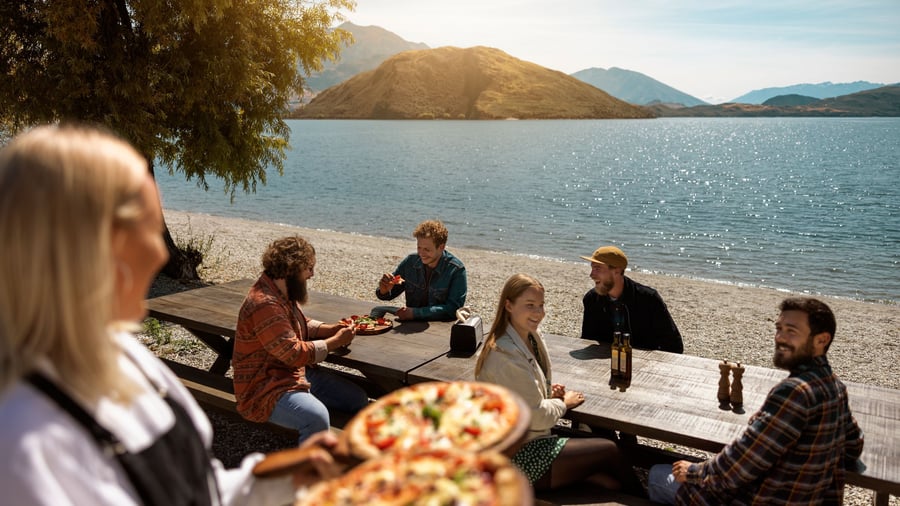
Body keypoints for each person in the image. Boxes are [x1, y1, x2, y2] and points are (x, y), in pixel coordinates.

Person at [0, 124, 342, 505]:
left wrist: (290, 478)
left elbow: (200, 488)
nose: (159, 255)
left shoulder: (128, 358)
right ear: (79, 250)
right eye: (145, 229)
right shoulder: (22, 444)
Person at [647, 297, 865, 505]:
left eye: (792, 331)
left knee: (657, 475)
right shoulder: (835, 387)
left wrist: (693, 472)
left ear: (822, 340)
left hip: (760, 500)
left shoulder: (795, 392)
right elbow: (853, 446)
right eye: (779, 329)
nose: (780, 337)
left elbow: (739, 467)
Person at [474, 274, 645, 495]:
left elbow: (523, 396)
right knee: (610, 450)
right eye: (530, 305)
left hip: (531, 442)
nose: (539, 312)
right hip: (516, 458)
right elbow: (534, 415)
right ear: (508, 305)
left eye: (541, 305)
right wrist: (563, 403)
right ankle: (645, 498)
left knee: (609, 483)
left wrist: (546, 394)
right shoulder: (505, 354)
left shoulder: (528, 336)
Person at [233, 235, 370, 445]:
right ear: (291, 269)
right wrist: (335, 341)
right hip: (264, 386)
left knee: (357, 399)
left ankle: (348, 449)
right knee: (316, 417)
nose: (312, 274)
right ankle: (310, 469)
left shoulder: (279, 291)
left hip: (292, 375)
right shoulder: (264, 304)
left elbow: (300, 322)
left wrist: (330, 329)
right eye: (309, 268)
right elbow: (294, 353)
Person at [580, 245, 683, 353]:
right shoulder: (591, 300)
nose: (591, 274)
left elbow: (674, 345)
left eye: (597, 268)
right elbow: (588, 341)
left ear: (617, 270)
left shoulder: (648, 299)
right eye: (592, 268)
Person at [375, 219, 467, 321]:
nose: (421, 254)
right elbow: (388, 294)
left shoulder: (456, 270)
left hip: (441, 329)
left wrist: (415, 313)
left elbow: (453, 309)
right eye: (419, 248)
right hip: (409, 325)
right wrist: (384, 290)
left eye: (426, 249)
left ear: (441, 247)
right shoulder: (410, 262)